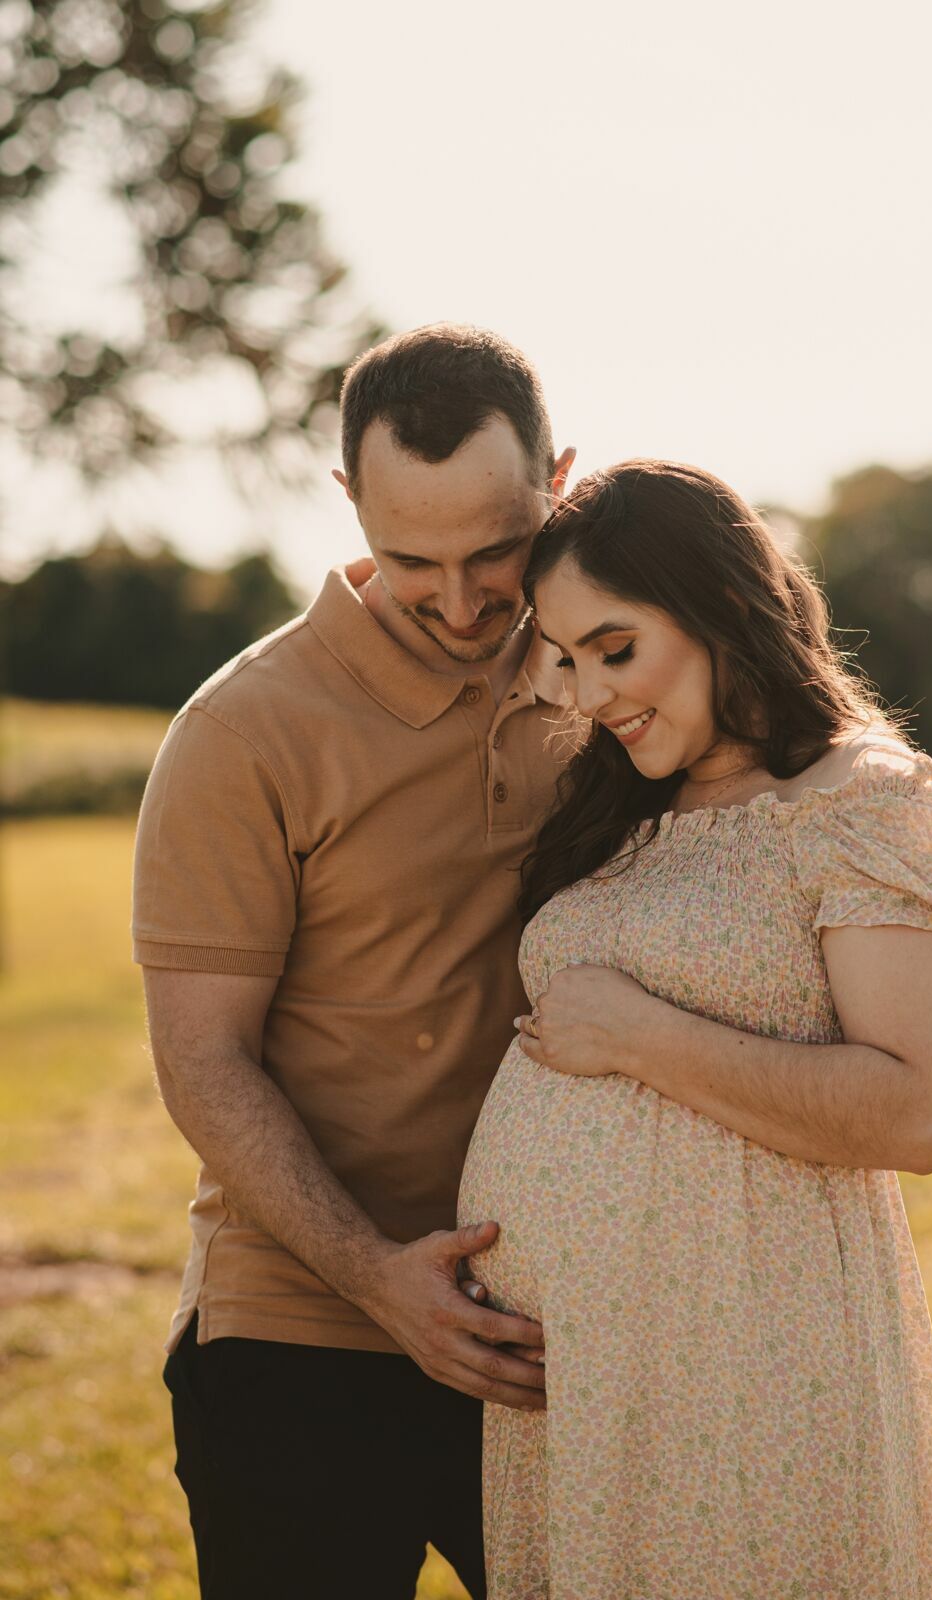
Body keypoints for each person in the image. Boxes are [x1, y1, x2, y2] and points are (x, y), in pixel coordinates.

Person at [458, 460, 932, 1600]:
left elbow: (919, 1109)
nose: (591, 692)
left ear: (716, 607)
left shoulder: (867, 803)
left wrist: (640, 1035)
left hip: (753, 1370)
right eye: (566, 657)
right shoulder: (628, 804)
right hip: (588, 1387)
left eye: (618, 647)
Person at [132, 323, 575, 1600]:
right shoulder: (240, 733)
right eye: (410, 558)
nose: (457, 599)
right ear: (348, 505)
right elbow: (203, 1062)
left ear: (561, 479)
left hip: (545, 1332)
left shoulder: (611, 678)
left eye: (497, 550)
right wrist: (383, 1282)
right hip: (300, 1327)